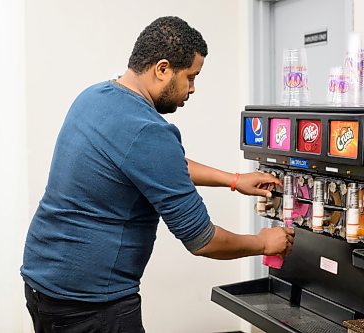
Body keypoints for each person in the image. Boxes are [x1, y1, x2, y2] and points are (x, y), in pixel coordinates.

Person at [21, 16, 295, 333]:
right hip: (92, 304)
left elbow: (155, 165)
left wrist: (233, 180)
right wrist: (262, 243)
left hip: (43, 283)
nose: (193, 88)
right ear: (162, 69)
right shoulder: (147, 130)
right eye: (190, 77)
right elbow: (202, 240)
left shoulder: (95, 98)